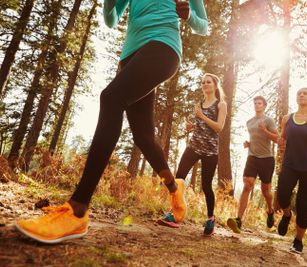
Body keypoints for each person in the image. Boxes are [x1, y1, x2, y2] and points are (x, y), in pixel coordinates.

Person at [15, 0, 209, 244]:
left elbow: (204, 27)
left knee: (111, 98)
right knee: (144, 137)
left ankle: (77, 208)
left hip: (163, 46)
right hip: (130, 56)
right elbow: (111, 20)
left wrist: (190, 15)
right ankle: (174, 189)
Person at [160, 73, 227, 237]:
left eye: (208, 82)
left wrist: (201, 116)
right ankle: (175, 214)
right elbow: (201, 125)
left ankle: (211, 219)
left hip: (210, 150)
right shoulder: (199, 104)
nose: (205, 84)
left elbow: (219, 127)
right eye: (203, 82)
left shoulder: (221, 104)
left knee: (206, 186)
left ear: (215, 85)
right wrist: (191, 126)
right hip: (194, 146)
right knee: (179, 177)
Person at [276, 87, 307, 254]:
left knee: (302, 204)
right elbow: (282, 139)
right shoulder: (287, 118)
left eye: (305, 93)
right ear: (296, 98)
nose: (302, 95)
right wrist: (280, 143)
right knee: (282, 195)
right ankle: (287, 214)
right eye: (299, 93)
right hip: (290, 164)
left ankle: (298, 241)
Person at [227, 96, 278, 233]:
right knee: (247, 185)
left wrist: (265, 130)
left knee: (265, 191)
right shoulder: (249, 122)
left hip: (266, 158)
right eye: (255, 103)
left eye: (259, 103)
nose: (257, 105)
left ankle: (270, 210)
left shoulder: (268, 120)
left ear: (264, 105)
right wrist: (249, 144)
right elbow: (255, 138)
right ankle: (239, 220)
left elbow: (277, 138)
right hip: (252, 156)